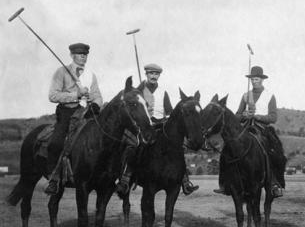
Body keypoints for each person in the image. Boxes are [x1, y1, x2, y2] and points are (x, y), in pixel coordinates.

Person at [115, 63, 199, 195]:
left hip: (162, 125)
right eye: (151, 73)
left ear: (159, 75)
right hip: (145, 125)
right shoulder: (139, 90)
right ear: (146, 74)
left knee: (177, 147)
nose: (153, 76)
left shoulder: (163, 92)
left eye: (156, 74)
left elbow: (169, 110)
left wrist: (168, 118)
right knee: (134, 146)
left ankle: (185, 181)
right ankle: (125, 178)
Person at [214, 66, 285, 198]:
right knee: (227, 149)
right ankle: (225, 183)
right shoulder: (246, 96)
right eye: (252, 79)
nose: (254, 81)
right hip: (246, 127)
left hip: (263, 128)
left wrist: (257, 116)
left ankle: (275, 183)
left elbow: (273, 118)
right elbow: (237, 115)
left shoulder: (270, 96)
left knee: (274, 151)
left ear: (262, 79)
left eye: (256, 79)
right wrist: (244, 115)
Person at [44, 43, 103, 195]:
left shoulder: (91, 75)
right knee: (56, 142)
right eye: (79, 53)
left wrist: (95, 104)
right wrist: (76, 95)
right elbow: (53, 95)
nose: (83, 56)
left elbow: (97, 95)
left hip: (87, 113)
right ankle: (53, 178)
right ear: (72, 55)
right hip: (67, 112)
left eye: (85, 54)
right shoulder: (62, 72)